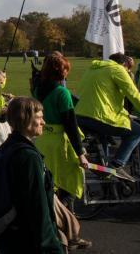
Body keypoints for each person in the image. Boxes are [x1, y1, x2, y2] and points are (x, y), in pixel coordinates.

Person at [75, 53, 140, 180]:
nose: (128, 72)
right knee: (137, 131)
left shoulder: (93, 69)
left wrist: (125, 113)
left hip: (81, 115)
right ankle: (116, 165)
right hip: (99, 116)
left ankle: (102, 166)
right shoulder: (118, 69)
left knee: (104, 134)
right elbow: (134, 95)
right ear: (124, 64)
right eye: (128, 69)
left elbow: (104, 97)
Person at [0, 96, 62, 254]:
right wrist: (52, 247)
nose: (43, 122)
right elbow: (38, 208)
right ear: (25, 119)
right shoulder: (28, 157)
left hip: (10, 236)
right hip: (27, 240)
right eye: (39, 117)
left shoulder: (7, 147)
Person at [32, 54, 89, 205]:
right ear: (61, 71)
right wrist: (80, 153)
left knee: (50, 183)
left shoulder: (38, 89)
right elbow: (70, 125)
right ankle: (61, 214)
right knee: (71, 183)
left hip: (42, 141)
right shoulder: (62, 93)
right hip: (59, 144)